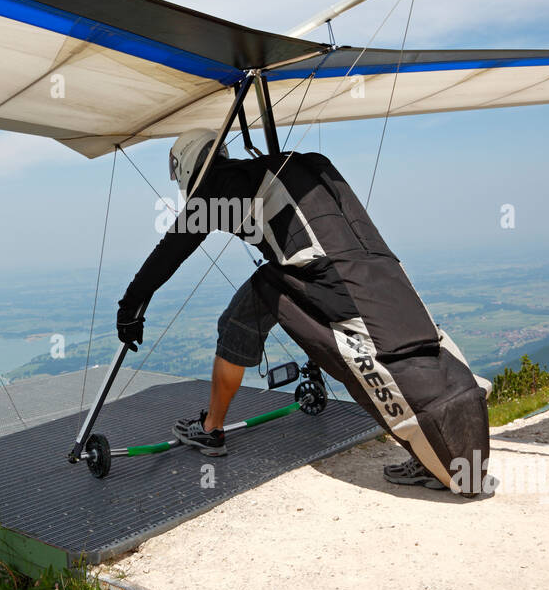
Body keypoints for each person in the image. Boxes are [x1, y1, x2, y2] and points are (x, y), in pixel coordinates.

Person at [116, 129, 491, 492]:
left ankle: (212, 429)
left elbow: (171, 250)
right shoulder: (299, 164)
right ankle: (442, 448)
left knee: (254, 301)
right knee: (412, 341)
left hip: (326, 279)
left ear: (186, 165)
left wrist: (130, 306)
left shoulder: (218, 187)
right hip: (379, 270)